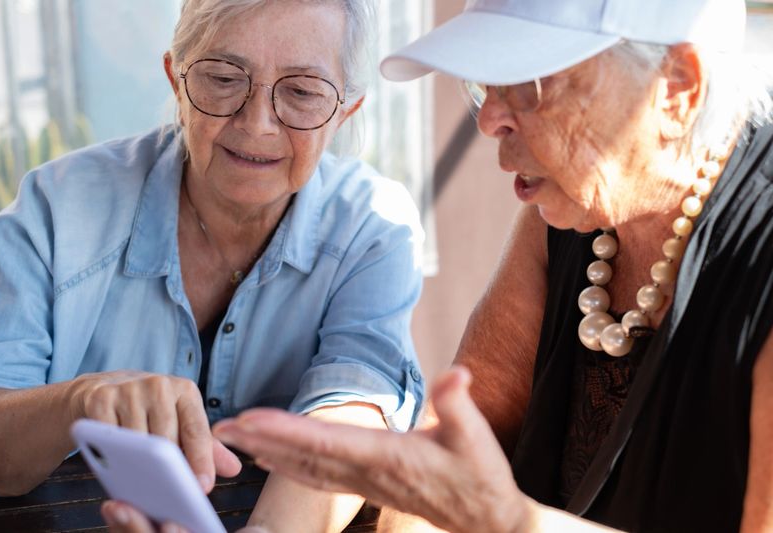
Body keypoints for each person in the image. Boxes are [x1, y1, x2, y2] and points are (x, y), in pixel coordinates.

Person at [158, 0, 773, 532]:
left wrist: (507, 524)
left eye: (529, 84)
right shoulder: (569, 210)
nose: (488, 119)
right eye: (484, 84)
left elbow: (474, 505)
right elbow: (450, 455)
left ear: (677, 89)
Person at [0, 0, 426, 531]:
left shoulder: (374, 228)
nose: (257, 125)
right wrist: (80, 402)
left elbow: (354, 413)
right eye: (223, 78)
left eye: (302, 91)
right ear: (176, 79)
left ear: (345, 110)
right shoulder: (55, 211)